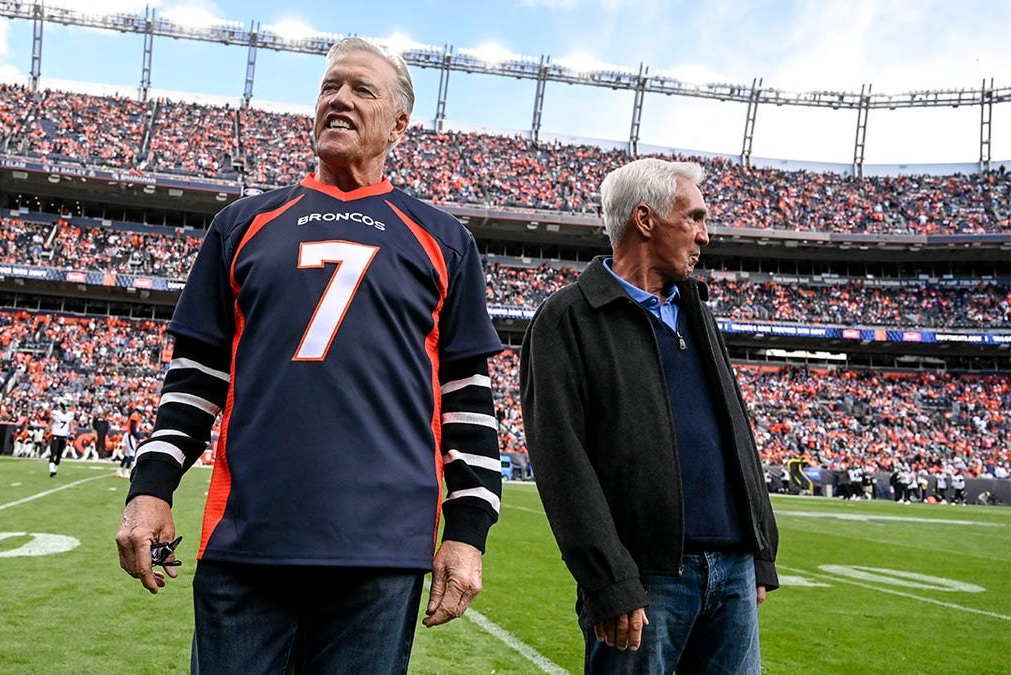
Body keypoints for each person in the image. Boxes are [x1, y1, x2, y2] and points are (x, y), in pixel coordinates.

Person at [114, 36, 504, 674]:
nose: (340, 100)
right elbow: (195, 377)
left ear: (399, 123)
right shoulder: (242, 224)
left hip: (380, 552)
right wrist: (152, 487)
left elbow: (467, 401)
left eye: (362, 90)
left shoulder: (444, 241)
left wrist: (466, 531)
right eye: (330, 87)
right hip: (247, 542)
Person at [520, 158, 780, 674]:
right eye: (694, 218)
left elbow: (735, 431)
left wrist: (759, 550)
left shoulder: (696, 310)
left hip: (732, 568)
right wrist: (609, 580)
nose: (705, 235)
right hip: (646, 577)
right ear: (645, 220)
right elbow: (562, 464)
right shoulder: (567, 318)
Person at [46, 396, 75, 477]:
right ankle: (51, 470)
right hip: (55, 435)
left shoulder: (70, 415)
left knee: (59, 455)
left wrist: (72, 433)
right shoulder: (55, 413)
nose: (68, 408)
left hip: (63, 436)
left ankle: (55, 469)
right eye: (67, 406)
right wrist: (46, 433)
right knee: (53, 453)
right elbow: (50, 423)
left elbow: (71, 424)